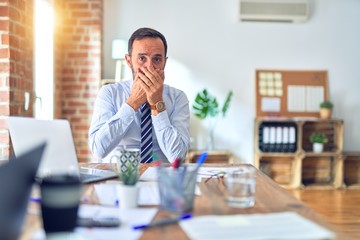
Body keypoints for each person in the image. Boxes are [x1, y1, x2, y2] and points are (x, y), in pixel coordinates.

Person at [88, 27, 190, 163]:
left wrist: (157, 104)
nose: (150, 67)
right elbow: (98, 150)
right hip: (118, 175)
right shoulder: (109, 93)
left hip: (160, 177)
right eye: (142, 58)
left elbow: (177, 157)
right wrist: (133, 103)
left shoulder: (178, 98)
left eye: (157, 59)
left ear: (165, 62)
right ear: (129, 61)